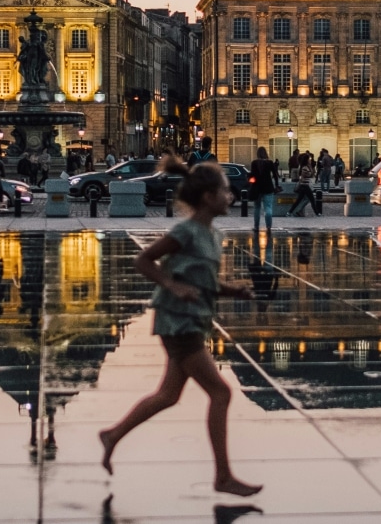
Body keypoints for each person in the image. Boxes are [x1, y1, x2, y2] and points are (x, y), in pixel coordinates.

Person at [98, 158, 262, 498]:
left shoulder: (213, 234)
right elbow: (142, 261)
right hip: (178, 321)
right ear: (207, 198)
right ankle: (223, 476)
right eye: (225, 192)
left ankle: (113, 435)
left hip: (194, 319)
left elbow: (204, 280)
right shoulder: (185, 231)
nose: (230, 197)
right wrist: (172, 286)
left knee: (168, 395)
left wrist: (233, 290)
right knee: (221, 393)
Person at [249, 146, 280, 234]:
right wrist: (277, 185)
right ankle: (269, 226)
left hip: (257, 188)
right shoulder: (270, 163)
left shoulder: (254, 163)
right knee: (268, 207)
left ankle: (256, 226)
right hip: (268, 187)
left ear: (257, 153)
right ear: (266, 153)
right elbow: (275, 175)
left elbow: (252, 175)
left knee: (257, 208)